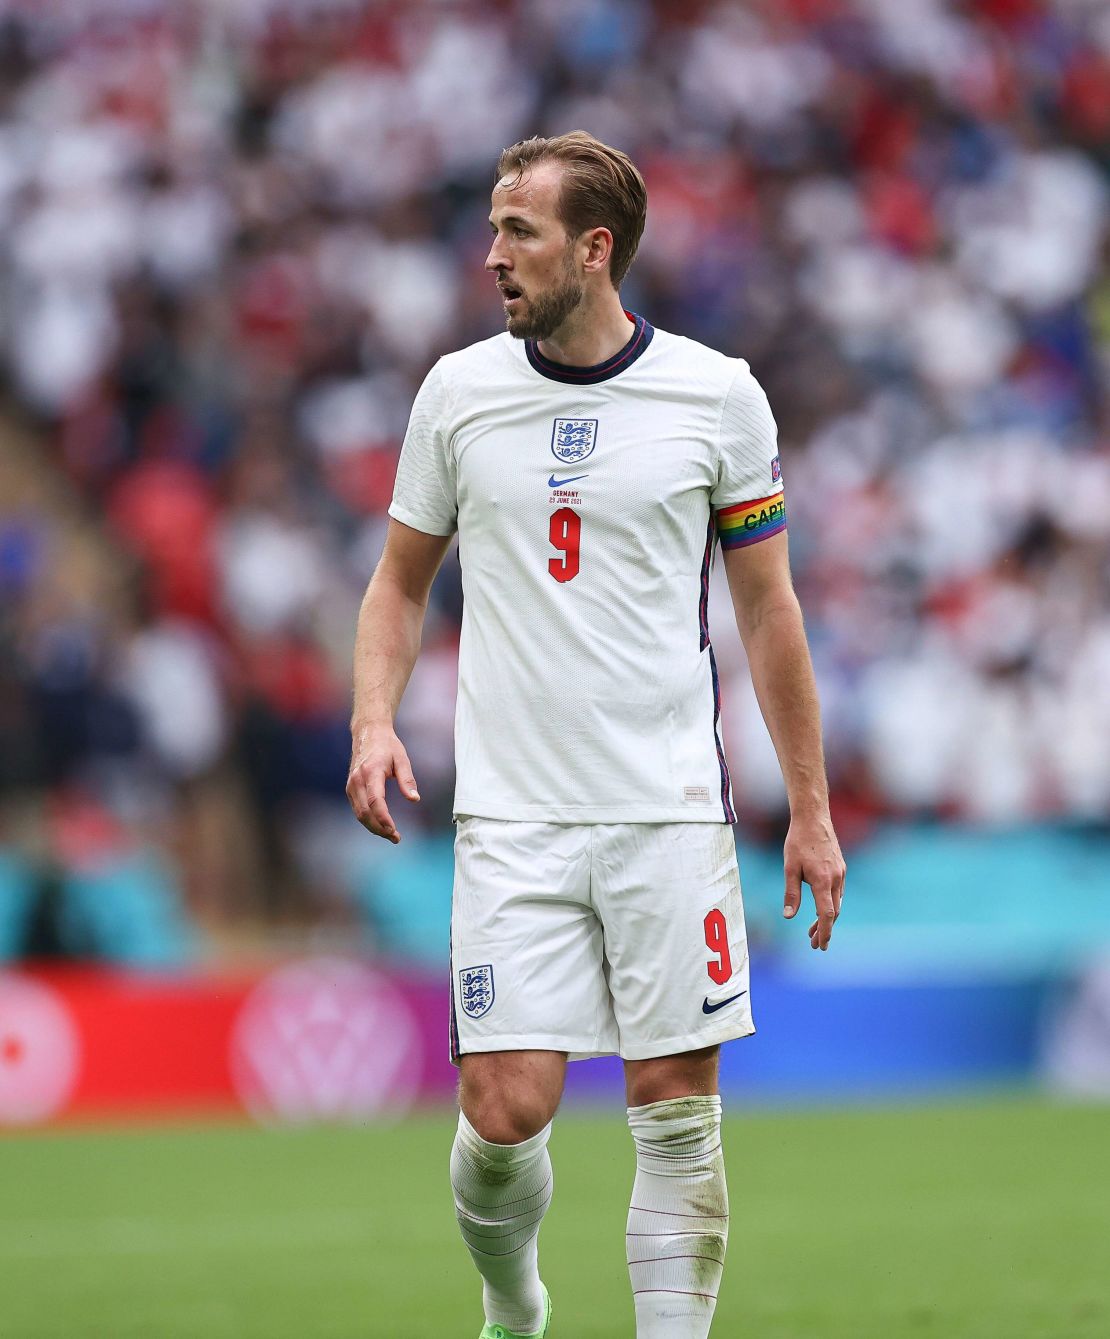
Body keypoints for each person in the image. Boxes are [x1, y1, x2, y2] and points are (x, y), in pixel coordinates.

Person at [347, 131, 846, 1339]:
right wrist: (372, 720)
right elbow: (400, 583)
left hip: (668, 809)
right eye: (492, 230)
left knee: (676, 1111)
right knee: (502, 1108)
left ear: (594, 247)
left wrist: (812, 810)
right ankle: (515, 1305)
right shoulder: (458, 394)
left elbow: (768, 610)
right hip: (514, 813)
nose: (492, 257)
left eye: (517, 233)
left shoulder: (718, 393)